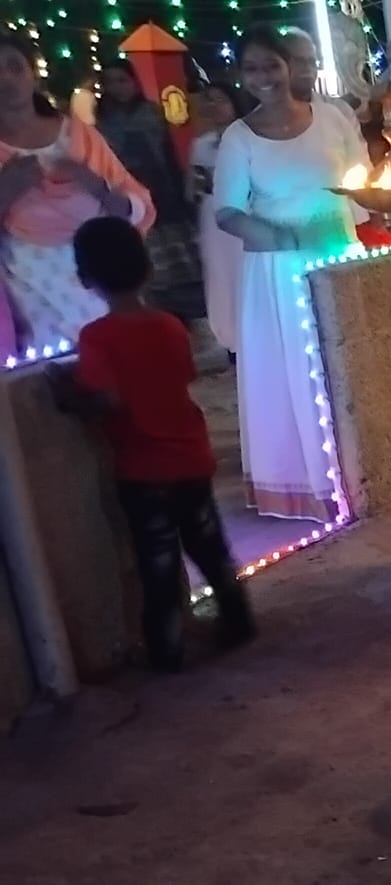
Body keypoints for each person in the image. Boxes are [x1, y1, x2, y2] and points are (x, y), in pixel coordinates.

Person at [61, 216, 253, 670]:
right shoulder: (169, 326)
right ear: (149, 269)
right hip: (191, 458)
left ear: (85, 279)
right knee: (210, 547)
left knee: (159, 562)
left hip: (143, 470)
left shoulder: (97, 337)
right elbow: (181, 377)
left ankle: (167, 651)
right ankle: (239, 622)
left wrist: (67, 397)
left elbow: (106, 398)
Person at [213, 27, 365, 521]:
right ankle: (310, 486)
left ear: (289, 66)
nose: (264, 78)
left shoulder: (333, 119)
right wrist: (273, 236)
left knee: (349, 372)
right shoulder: (239, 138)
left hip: (339, 257)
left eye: (271, 66)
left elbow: (361, 184)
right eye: (251, 69)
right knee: (300, 377)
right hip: (279, 273)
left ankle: (364, 475)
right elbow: (227, 212)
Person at [0, 31, 154, 350]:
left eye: (14, 67)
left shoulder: (79, 136)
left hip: (99, 270)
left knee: (116, 362)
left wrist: (96, 186)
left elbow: (134, 205)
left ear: (32, 72)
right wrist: (6, 191)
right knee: (58, 381)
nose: (6, 79)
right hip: (30, 280)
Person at [94, 60, 204, 327]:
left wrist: (182, 192)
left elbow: (169, 154)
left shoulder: (152, 113)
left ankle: (191, 322)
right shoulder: (102, 123)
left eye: (123, 80)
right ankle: (162, 323)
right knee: (148, 271)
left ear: (134, 82)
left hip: (164, 195)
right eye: (110, 82)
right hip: (128, 202)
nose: (117, 88)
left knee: (182, 266)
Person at [187, 82, 243, 354]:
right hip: (213, 214)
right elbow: (192, 187)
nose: (213, 106)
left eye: (220, 99)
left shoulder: (247, 137)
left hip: (243, 212)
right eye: (208, 100)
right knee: (220, 273)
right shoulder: (200, 145)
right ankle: (229, 337)